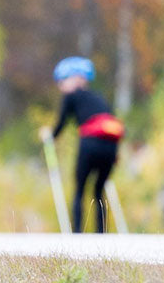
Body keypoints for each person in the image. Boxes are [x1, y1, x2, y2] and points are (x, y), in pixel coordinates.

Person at [39, 57, 124, 233]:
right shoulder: (99, 97)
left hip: (90, 144)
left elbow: (61, 123)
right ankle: (101, 234)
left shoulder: (71, 97)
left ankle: (77, 233)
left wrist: (49, 136)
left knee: (79, 189)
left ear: (73, 79)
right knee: (99, 189)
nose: (60, 86)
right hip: (111, 147)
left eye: (61, 81)